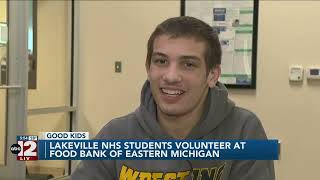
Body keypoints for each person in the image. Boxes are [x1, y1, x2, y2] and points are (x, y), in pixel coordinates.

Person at [71, 16, 275, 180]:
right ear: (148, 69)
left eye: (188, 64)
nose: (170, 76)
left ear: (212, 75)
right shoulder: (115, 135)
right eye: (161, 61)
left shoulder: (244, 131)